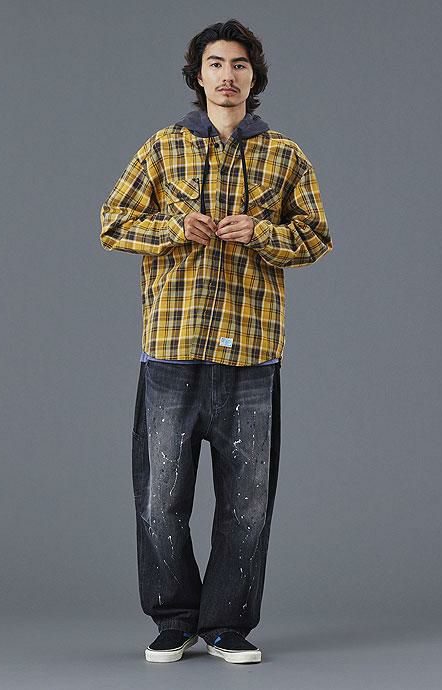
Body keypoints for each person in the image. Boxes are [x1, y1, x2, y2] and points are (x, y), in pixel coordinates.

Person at [99, 18, 333, 664]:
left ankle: (228, 625)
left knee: (247, 503)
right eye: (215, 64)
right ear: (197, 75)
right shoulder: (163, 148)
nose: (227, 76)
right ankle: (174, 619)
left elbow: (317, 236)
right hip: (171, 351)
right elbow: (113, 222)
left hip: (251, 355)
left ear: (254, 77)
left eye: (239, 65)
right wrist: (174, 228)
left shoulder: (285, 155)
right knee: (160, 497)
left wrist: (262, 233)